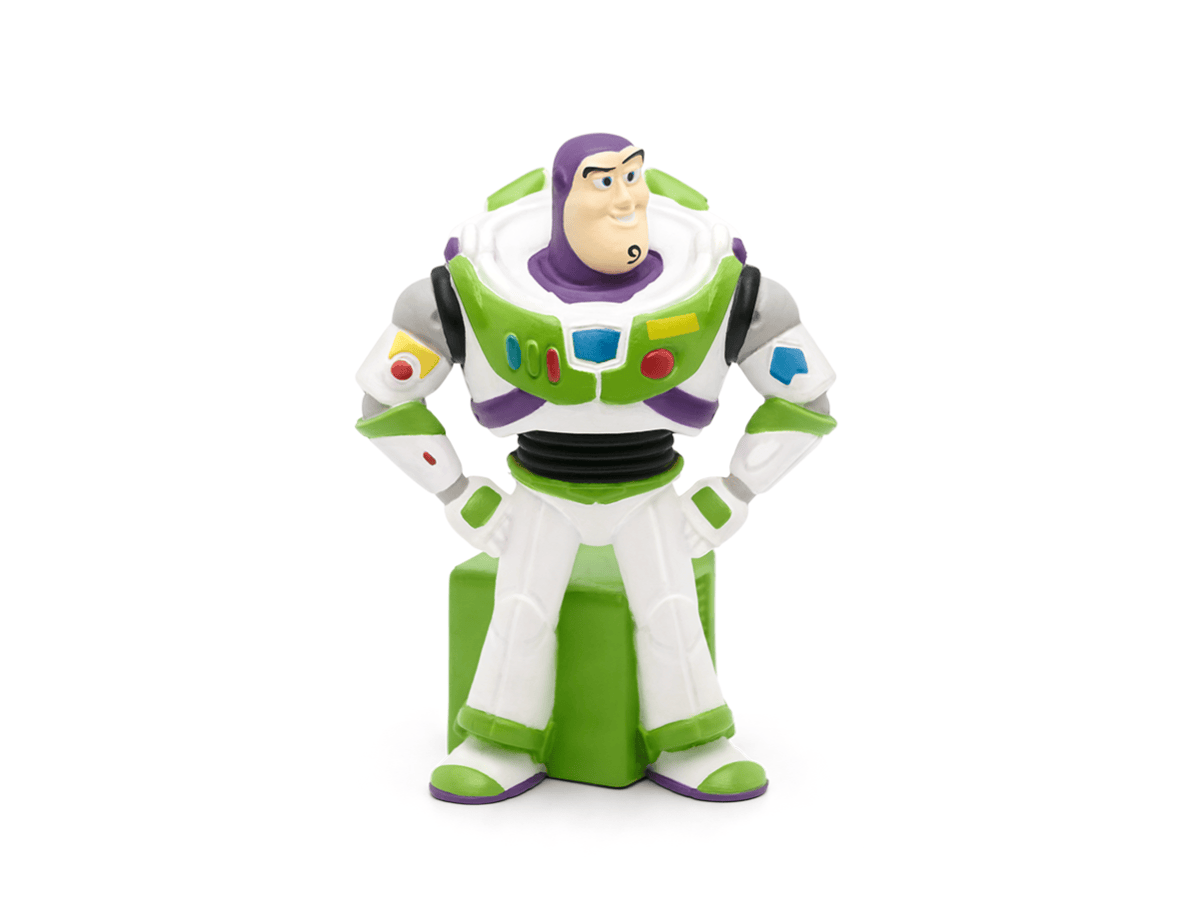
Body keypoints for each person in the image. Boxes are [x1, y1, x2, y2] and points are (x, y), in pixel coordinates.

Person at [356, 134, 836, 803]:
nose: (625, 198)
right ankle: (499, 740)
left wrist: (734, 492)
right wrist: (458, 493)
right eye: (603, 181)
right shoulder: (461, 291)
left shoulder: (729, 289)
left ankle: (692, 740)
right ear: (563, 195)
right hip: (539, 491)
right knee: (520, 611)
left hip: (651, 491)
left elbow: (805, 399)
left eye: (633, 177)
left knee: (671, 611)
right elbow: (386, 400)